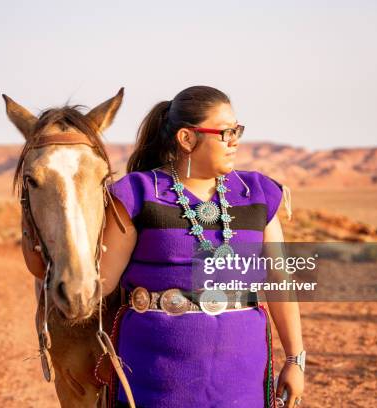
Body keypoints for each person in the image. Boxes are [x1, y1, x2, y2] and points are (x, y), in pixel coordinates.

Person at [100, 86, 305, 408]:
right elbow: (100, 285)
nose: (235, 140)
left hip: (242, 374)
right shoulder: (137, 194)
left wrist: (295, 359)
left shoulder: (258, 193)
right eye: (226, 132)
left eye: (237, 130)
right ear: (187, 139)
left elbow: (280, 281)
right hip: (154, 373)